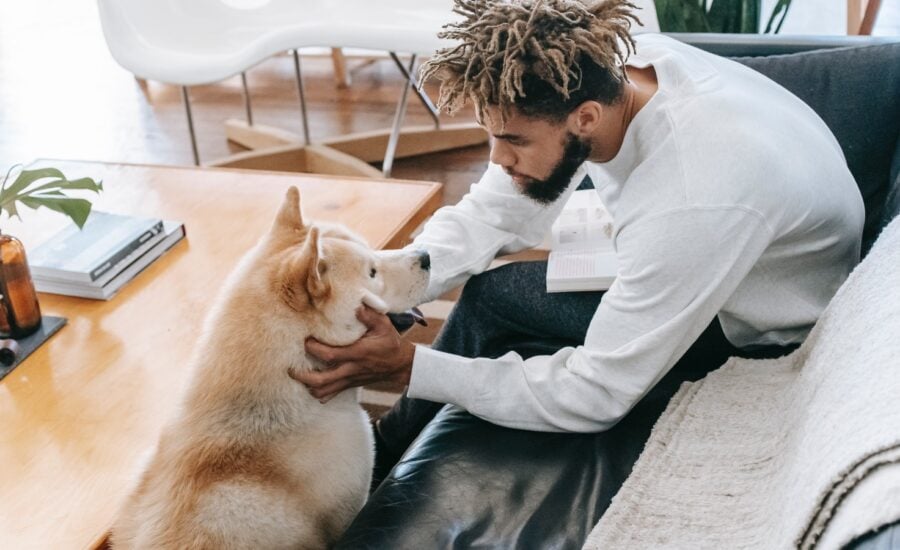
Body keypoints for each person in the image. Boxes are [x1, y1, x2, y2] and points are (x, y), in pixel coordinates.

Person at [291, 0, 864, 496]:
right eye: (492, 134)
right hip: (728, 257)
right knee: (497, 288)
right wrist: (395, 280)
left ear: (585, 118)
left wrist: (409, 366)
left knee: (495, 298)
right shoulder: (616, 70)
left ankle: (378, 468)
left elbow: (595, 395)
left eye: (513, 140)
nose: (496, 156)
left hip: (762, 325)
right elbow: (499, 205)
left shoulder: (691, 194)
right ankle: (386, 450)